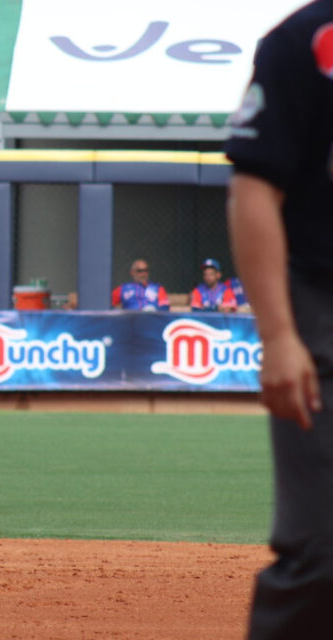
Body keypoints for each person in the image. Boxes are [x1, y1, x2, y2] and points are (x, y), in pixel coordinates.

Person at [225, 2, 333, 636]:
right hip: (320, 310)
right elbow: (254, 188)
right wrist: (279, 335)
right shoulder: (305, 41)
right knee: (322, 550)